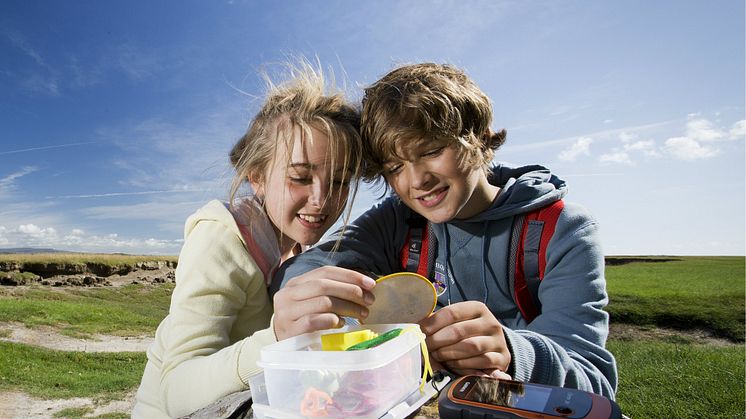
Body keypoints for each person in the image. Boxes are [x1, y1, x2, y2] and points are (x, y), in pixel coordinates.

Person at [272, 63, 618, 398]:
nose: (417, 181)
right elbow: (307, 267)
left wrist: (514, 352)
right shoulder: (397, 219)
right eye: (395, 167)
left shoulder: (564, 229)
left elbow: (594, 381)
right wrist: (307, 299)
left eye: (433, 151)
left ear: (480, 137)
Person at [132, 60, 376, 418]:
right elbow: (176, 392)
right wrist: (277, 335)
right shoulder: (220, 239)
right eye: (300, 177)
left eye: (340, 181)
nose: (322, 200)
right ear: (257, 177)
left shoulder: (295, 246)